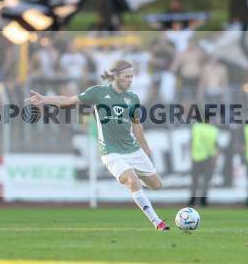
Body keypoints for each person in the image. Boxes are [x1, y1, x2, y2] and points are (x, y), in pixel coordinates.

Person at [26, 59, 170, 231]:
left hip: (133, 149)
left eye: (132, 77)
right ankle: (157, 222)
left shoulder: (133, 98)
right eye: (127, 77)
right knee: (132, 180)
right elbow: (69, 100)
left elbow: (136, 124)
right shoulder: (98, 93)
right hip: (111, 152)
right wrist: (45, 99)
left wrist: (145, 147)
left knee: (156, 185)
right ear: (116, 76)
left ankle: (134, 181)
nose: (130, 80)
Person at [188, 120, 219, 207]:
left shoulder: (196, 127)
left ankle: (192, 200)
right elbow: (216, 145)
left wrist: (191, 155)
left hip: (196, 157)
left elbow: (191, 141)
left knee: (195, 181)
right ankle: (203, 201)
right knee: (206, 181)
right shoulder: (214, 130)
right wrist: (215, 159)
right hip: (208, 158)